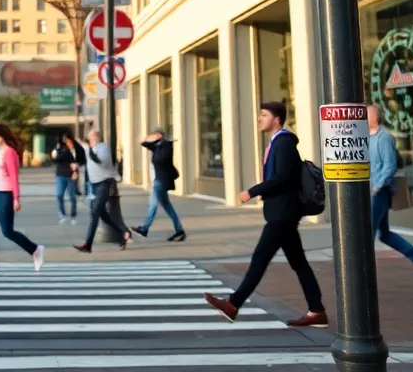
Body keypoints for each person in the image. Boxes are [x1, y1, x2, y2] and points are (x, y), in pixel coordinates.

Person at [203, 102, 326, 327]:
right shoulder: (277, 143)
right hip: (282, 213)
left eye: (264, 115)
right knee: (299, 263)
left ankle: (233, 304)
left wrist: (252, 191)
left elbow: (283, 178)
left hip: (283, 213)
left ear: (277, 119)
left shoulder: (285, 143)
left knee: (260, 259)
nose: (259, 118)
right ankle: (316, 310)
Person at [369, 103, 413, 284]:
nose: (364, 117)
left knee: (367, 234)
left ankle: (364, 277)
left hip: (379, 193)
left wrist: (378, 185)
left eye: (367, 114)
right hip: (371, 192)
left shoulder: (384, 137)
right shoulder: (366, 138)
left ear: (376, 116)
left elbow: (390, 165)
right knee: (385, 234)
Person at [0, 124, 45, 275]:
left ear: (2, 136)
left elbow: (14, 177)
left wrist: (16, 199)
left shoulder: (10, 153)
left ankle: (35, 249)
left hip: (6, 194)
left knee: (7, 231)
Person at [73, 129, 131, 252]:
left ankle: (87, 245)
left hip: (103, 184)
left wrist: (87, 148)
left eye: (90, 138)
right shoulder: (91, 149)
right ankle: (123, 234)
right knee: (103, 215)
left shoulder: (102, 148)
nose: (88, 140)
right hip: (94, 185)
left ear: (95, 138)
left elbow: (100, 162)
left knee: (95, 214)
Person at [132, 128, 185, 242]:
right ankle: (179, 230)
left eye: (155, 134)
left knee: (153, 205)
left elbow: (162, 160)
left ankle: (145, 228)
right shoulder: (156, 146)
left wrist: (154, 143)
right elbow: (141, 142)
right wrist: (149, 138)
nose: (152, 136)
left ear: (160, 135)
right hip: (158, 180)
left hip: (161, 181)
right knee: (167, 206)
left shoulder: (166, 146)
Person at [50, 133, 80, 225]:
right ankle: (62, 214)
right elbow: (54, 159)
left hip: (70, 175)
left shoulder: (74, 150)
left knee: (72, 197)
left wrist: (75, 172)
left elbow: (77, 162)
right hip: (60, 174)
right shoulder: (58, 149)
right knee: (59, 195)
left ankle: (73, 216)